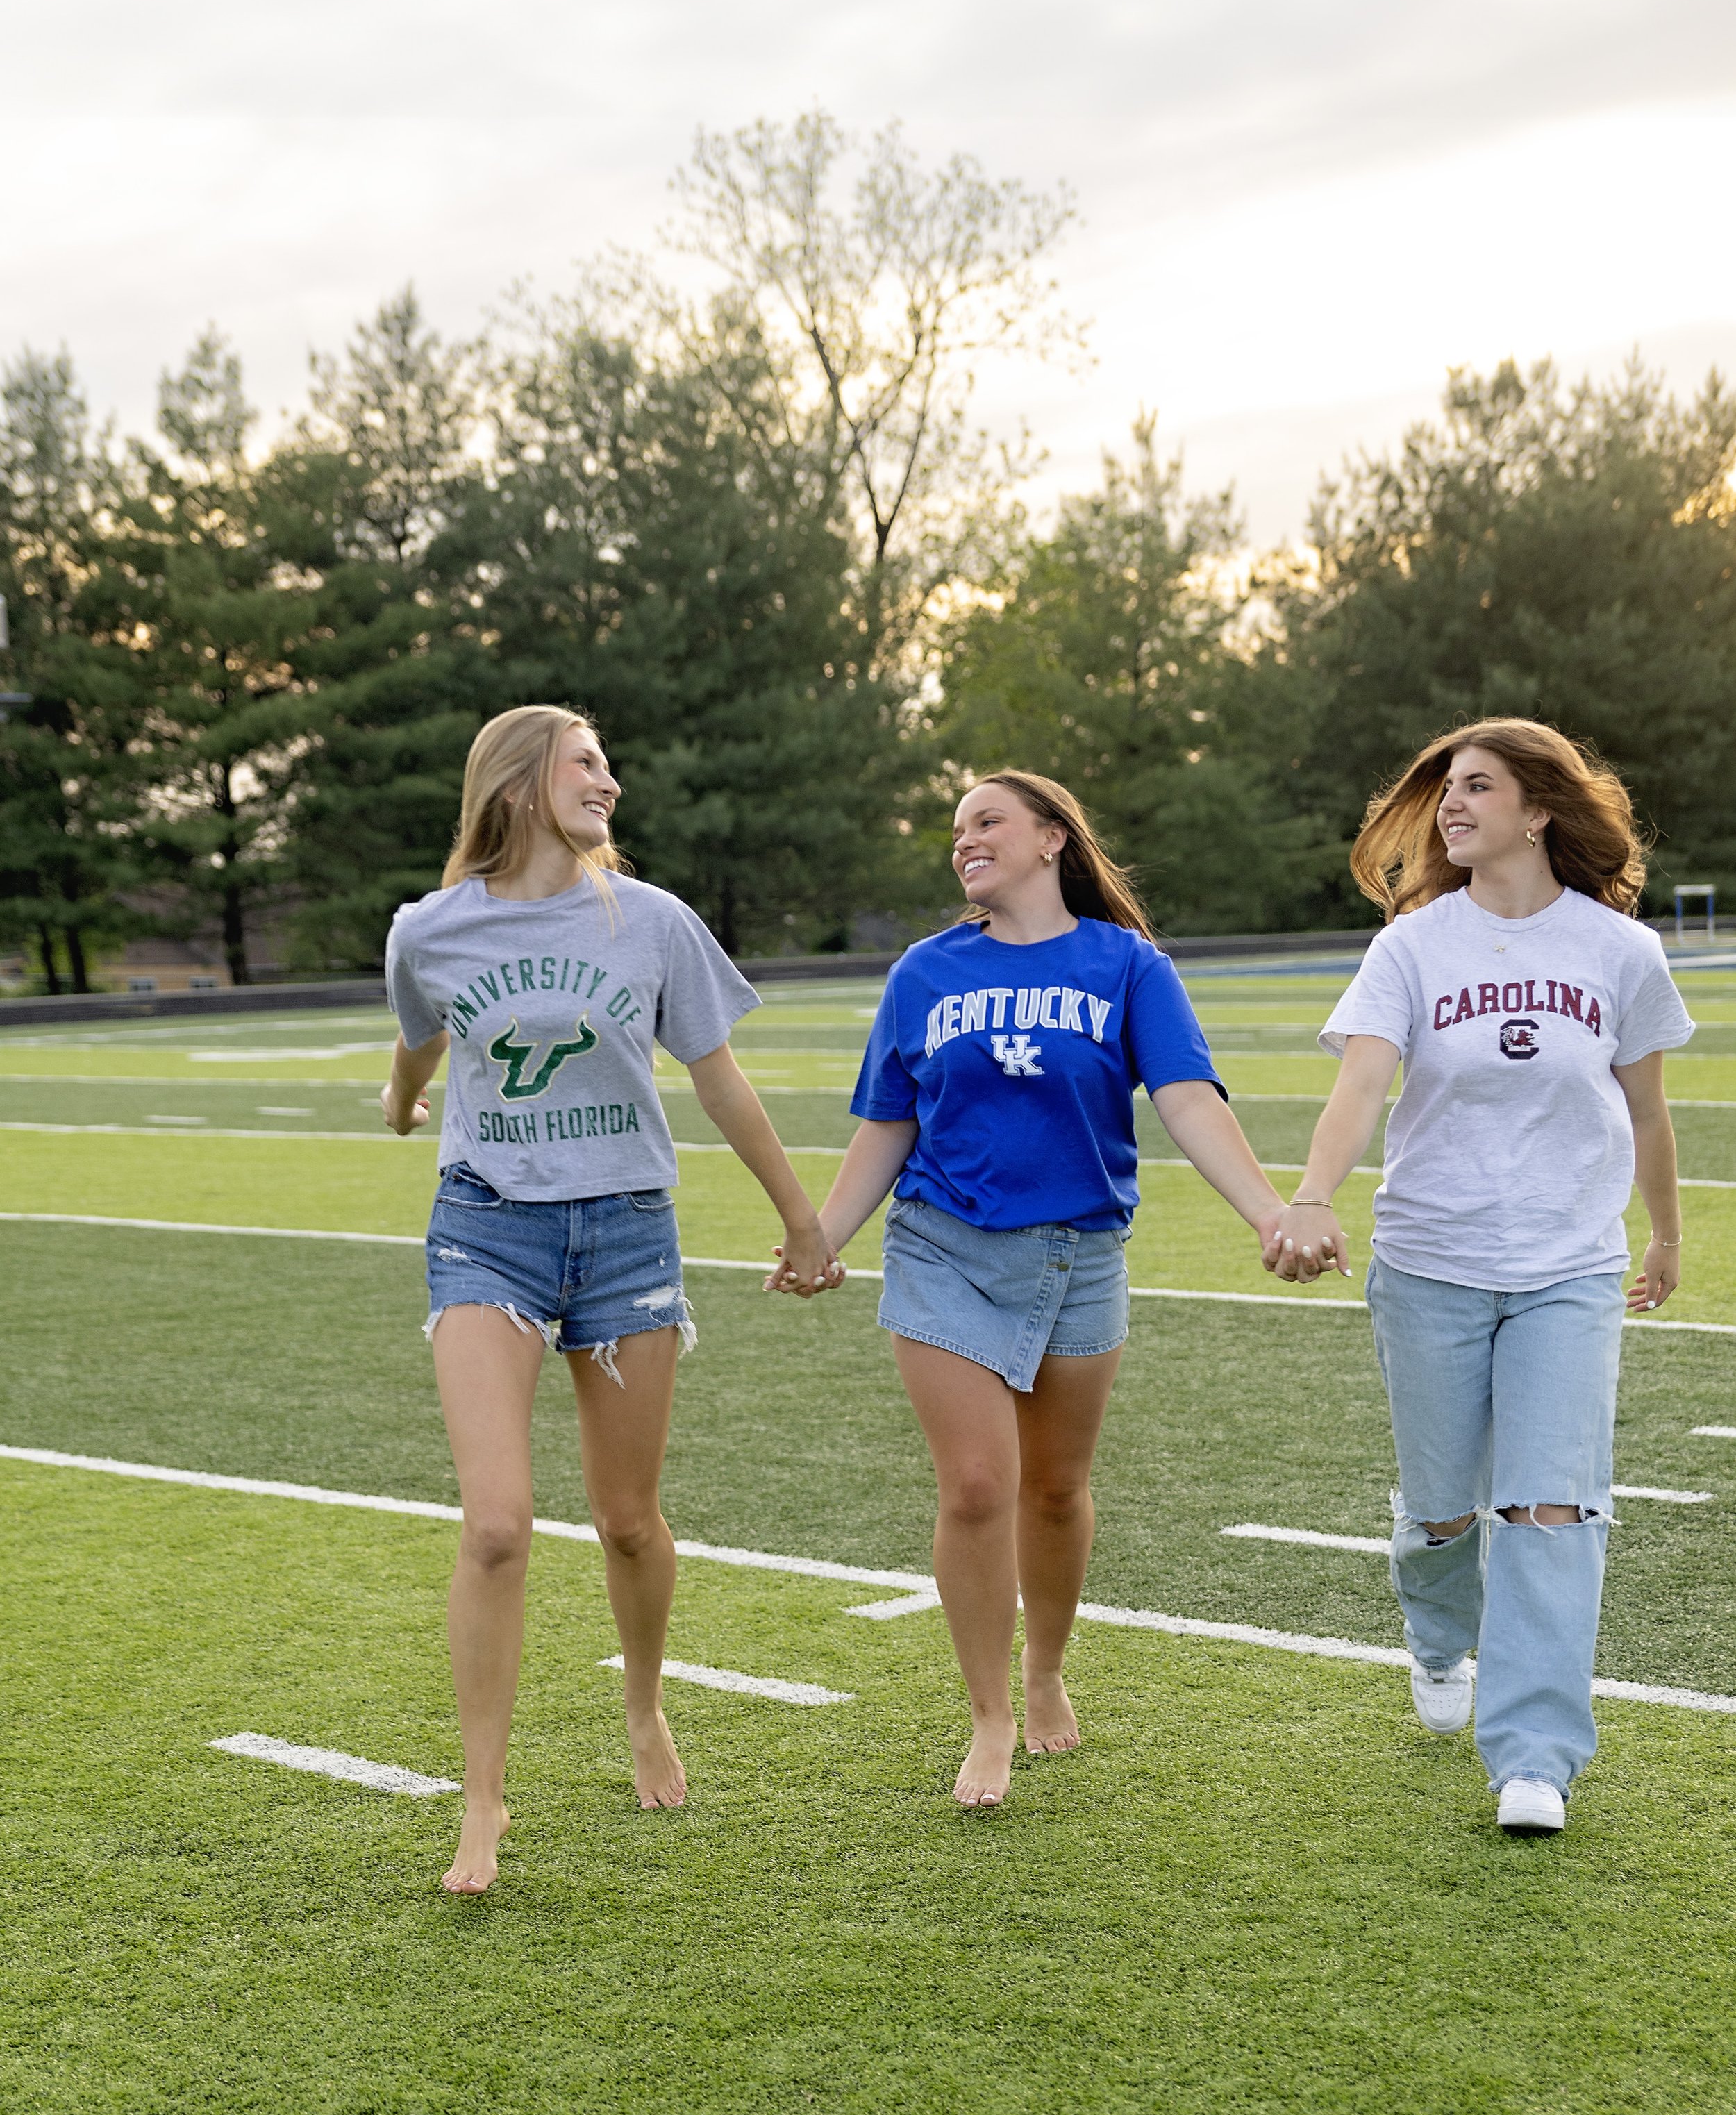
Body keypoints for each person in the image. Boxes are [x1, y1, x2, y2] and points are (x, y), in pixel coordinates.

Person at [382, 704, 840, 1893]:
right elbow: (421, 1037)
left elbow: (719, 1078)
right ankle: (482, 1800)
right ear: (524, 781)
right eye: (589, 762)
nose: (612, 782)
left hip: (628, 1233)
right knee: (496, 1524)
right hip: (486, 1231)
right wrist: (400, 1099)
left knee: (628, 1519)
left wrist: (801, 1217)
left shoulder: (656, 922)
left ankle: (643, 1704)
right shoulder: (429, 931)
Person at [786, 770, 1287, 1808]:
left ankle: (1046, 1668)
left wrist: (1269, 1212)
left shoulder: (1126, 964)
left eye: (988, 821)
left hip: (1079, 1252)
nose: (965, 839)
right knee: (976, 1484)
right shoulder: (925, 972)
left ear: (1053, 838)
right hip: (943, 1242)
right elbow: (888, 1123)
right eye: (957, 827)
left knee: (1055, 1489)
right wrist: (821, 1236)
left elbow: (1188, 1099)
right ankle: (988, 1716)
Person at [1266, 717, 1692, 1834]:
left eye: (1477, 787)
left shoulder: (1620, 952)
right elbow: (1362, 1087)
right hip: (1432, 1261)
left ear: (1539, 810)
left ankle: (1536, 1754)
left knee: (1556, 1506)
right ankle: (1439, 1632)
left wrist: (1666, 1237)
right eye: (1446, 789)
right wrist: (1312, 1194)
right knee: (1446, 1514)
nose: (1452, 805)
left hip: (1570, 1266)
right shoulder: (1412, 948)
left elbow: (1648, 1111)